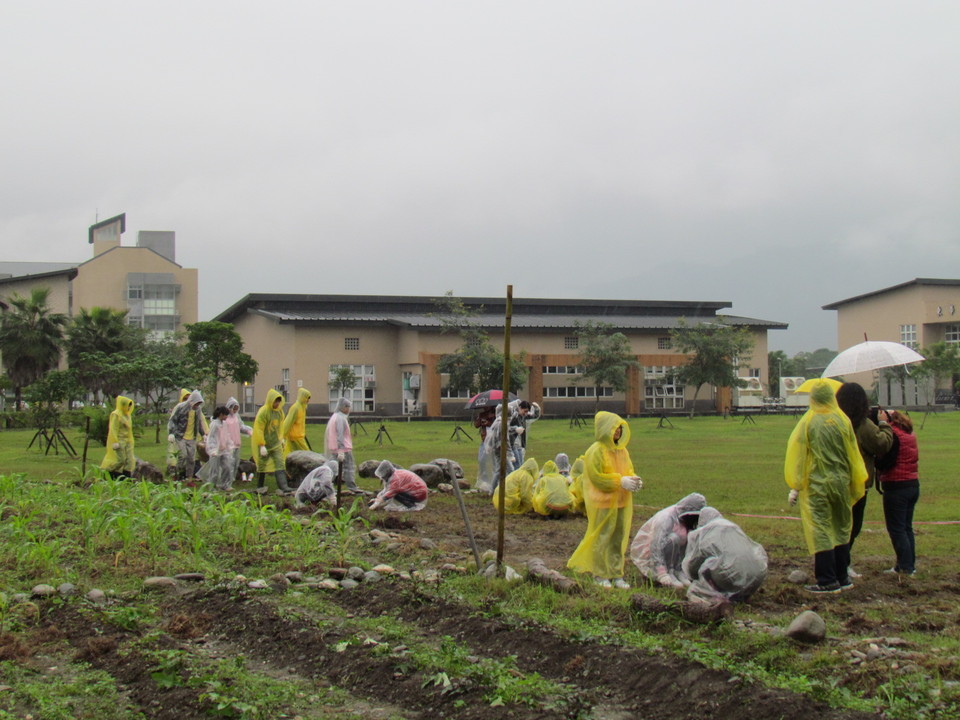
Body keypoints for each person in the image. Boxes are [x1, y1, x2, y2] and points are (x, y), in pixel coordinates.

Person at [784, 379, 867, 594]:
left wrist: (797, 485)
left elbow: (800, 456)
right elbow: (853, 454)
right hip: (841, 483)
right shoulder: (843, 420)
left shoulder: (809, 422)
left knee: (820, 529)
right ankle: (842, 576)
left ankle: (827, 579)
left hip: (818, 485)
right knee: (841, 528)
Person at [567, 412, 642, 589]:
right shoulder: (595, 451)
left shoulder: (621, 450)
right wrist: (619, 481)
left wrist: (633, 479)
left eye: (620, 428)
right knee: (602, 538)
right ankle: (600, 574)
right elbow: (596, 477)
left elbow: (628, 469)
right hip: (603, 502)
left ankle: (616, 574)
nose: (618, 432)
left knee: (618, 538)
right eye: (616, 428)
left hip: (621, 501)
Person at [835, 382, 894, 577]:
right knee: (853, 526)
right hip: (859, 483)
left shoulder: (834, 421)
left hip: (835, 481)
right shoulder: (863, 424)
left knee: (838, 525)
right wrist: (885, 424)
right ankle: (842, 564)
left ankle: (838, 562)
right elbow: (881, 444)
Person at [682, 506, 768, 603]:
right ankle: (738, 595)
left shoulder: (705, 532)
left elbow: (693, 564)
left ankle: (707, 596)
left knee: (709, 564)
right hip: (756, 576)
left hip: (729, 577)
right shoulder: (732, 526)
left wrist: (691, 576)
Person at [630, 492, 706, 589]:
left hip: (672, 556)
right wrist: (661, 572)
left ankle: (678, 570)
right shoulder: (666, 517)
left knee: (688, 536)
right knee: (673, 538)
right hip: (652, 556)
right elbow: (656, 544)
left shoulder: (686, 520)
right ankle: (667, 571)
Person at [877, 410, 920, 576]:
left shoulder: (892, 434)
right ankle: (907, 564)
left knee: (896, 529)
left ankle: (906, 567)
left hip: (896, 485)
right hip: (912, 484)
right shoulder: (909, 433)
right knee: (906, 527)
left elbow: (886, 460)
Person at [252, 388, 293, 495]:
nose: (277, 403)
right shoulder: (263, 412)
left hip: (276, 444)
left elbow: (280, 427)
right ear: (271, 400)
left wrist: (281, 439)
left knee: (280, 463)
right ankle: (260, 486)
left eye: (279, 401)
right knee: (262, 465)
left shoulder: (279, 412)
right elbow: (259, 428)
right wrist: (261, 445)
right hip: (265, 444)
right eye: (275, 401)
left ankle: (283, 486)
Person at [324, 397, 365, 494]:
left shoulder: (335, 416)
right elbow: (340, 434)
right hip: (343, 448)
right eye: (348, 407)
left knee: (333, 467)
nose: (349, 409)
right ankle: (352, 487)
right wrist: (341, 450)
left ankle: (327, 485)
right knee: (349, 467)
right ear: (343, 407)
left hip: (334, 447)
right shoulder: (340, 418)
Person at [168, 390, 208, 483]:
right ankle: (177, 475)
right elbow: (173, 420)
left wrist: (203, 434)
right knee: (183, 456)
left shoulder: (197, 410)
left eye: (198, 404)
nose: (196, 406)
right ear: (192, 401)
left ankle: (189, 479)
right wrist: (171, 433)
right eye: (196, 403)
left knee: (191, 459)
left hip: (192, 437)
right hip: (180, 436)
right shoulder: (180, 407)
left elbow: (198, 423)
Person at [100, 395, 135, 479]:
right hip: (119, 441)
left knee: (129, 461)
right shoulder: (116, 414)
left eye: (130, 405)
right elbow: (113, 428)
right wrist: (115, 441)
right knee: (121, 460)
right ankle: (106, 472)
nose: (129, 407)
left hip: (128, 441)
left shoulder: (127, 415)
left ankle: (127, 478)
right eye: (128, 405)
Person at [200, 405, 234, 490]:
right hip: (215, 450)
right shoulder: (214, 424)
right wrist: (212, 450)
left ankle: (225, 484)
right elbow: (211, 437)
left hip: (223, 450)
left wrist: (229, 445)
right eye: (225, 415)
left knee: (227, 467)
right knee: (214, 470)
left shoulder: (224, 424)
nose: (226, 417)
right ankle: (212, 487)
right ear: (221, 414)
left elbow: (226, 436)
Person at [223, 397, 254, 484]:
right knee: (228, 462)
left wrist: (249, 431)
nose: (235, 410)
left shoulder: (236, 417)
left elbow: (241, 426)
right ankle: (226, 479)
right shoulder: (225, 417)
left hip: (236, 443)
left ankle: (232, 478)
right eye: (234, 409)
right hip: (228, 444)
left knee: (235, 462)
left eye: (237, 409)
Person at [508, 400, 541, 466]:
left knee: (520, 465)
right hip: (512, 444)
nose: (526, 413)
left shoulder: (523, 416)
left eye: (527, 411)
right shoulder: (513, 416)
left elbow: (534, 416)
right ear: (520, 408)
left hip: (520, 445)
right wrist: (515, 429)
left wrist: (536, 408)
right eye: (525, 411)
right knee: (517, 466)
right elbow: (506, 428)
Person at [472, 405, 497, 492]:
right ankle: (484, 480)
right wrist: (480, 419)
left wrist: (489, 422)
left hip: (494, 441)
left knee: (494, 461)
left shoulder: (496, 414)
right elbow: (476, 425)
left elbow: (497, 425)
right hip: (484, 440)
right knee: (482, 460)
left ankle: (494, 481)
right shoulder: (482, 414)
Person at [282, 387, 312, 454]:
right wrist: (282, 436)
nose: (308, 400)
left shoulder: (302, 408)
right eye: (307, 398)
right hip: (295, 438)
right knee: (306, 455)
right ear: (302, 397)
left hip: (299, 437)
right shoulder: (295, 408)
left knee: (291, 454)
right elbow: (288, 422)